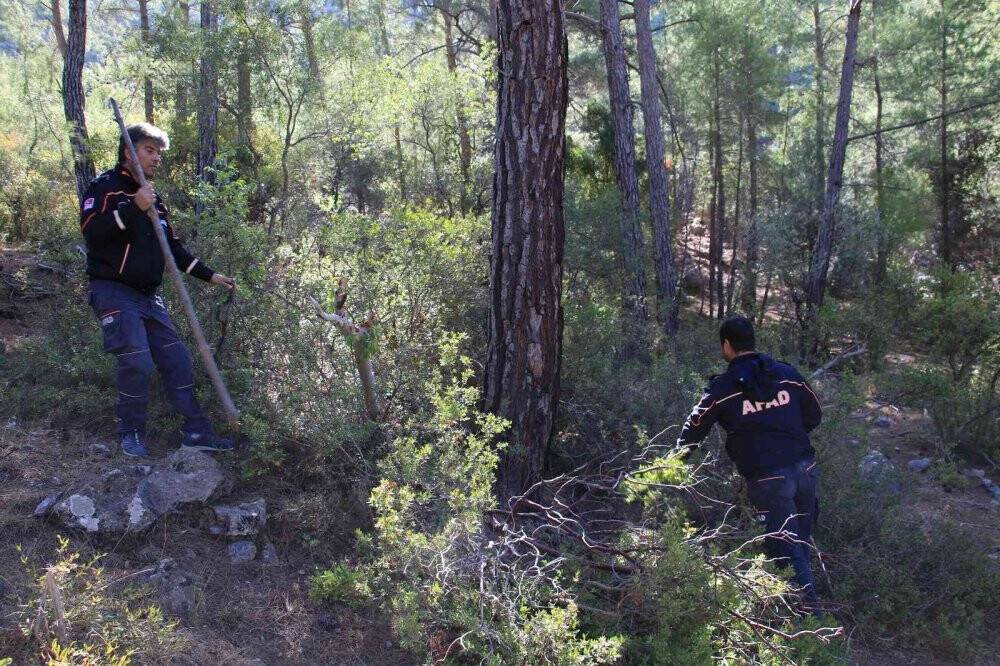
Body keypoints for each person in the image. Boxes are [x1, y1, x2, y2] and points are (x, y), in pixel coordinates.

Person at [79, 122, 236, 458]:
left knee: (178, 361)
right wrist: (132, 207)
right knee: (137, 361)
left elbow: (172, 249)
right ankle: (131, 433)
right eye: (149, 150)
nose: (156, 158)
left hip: (149, 297)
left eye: (158, 153)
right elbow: (93, 233)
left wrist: (210, 275)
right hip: (113, 291)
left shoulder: (154, 199)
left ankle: (196, 432)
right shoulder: (105, 187)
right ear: (128, 152)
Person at [677, 315, 823, 603]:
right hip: (805, 468)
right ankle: (797, 614)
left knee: (787, 556)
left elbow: (696, 425)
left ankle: (812, 621)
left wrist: (674, 460)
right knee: (799, 548)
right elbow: (814, 414)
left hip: (769, 479)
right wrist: (787, 435)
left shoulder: (723, 388)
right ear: (752, 341)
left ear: (726, 345)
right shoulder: (787, 374)